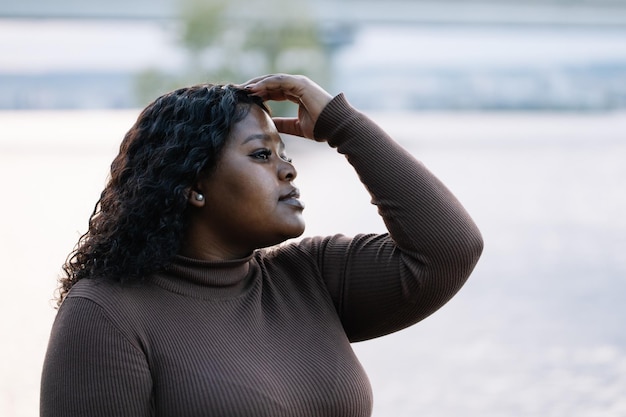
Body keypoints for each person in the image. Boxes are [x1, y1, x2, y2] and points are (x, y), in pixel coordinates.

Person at [40, 74, 483, 417]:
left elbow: (450, 249)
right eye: (261, 155)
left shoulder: (309, 276)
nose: (288, 170)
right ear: (194, 184)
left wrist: (341, 126)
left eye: (284, 153)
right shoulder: (106, 315)